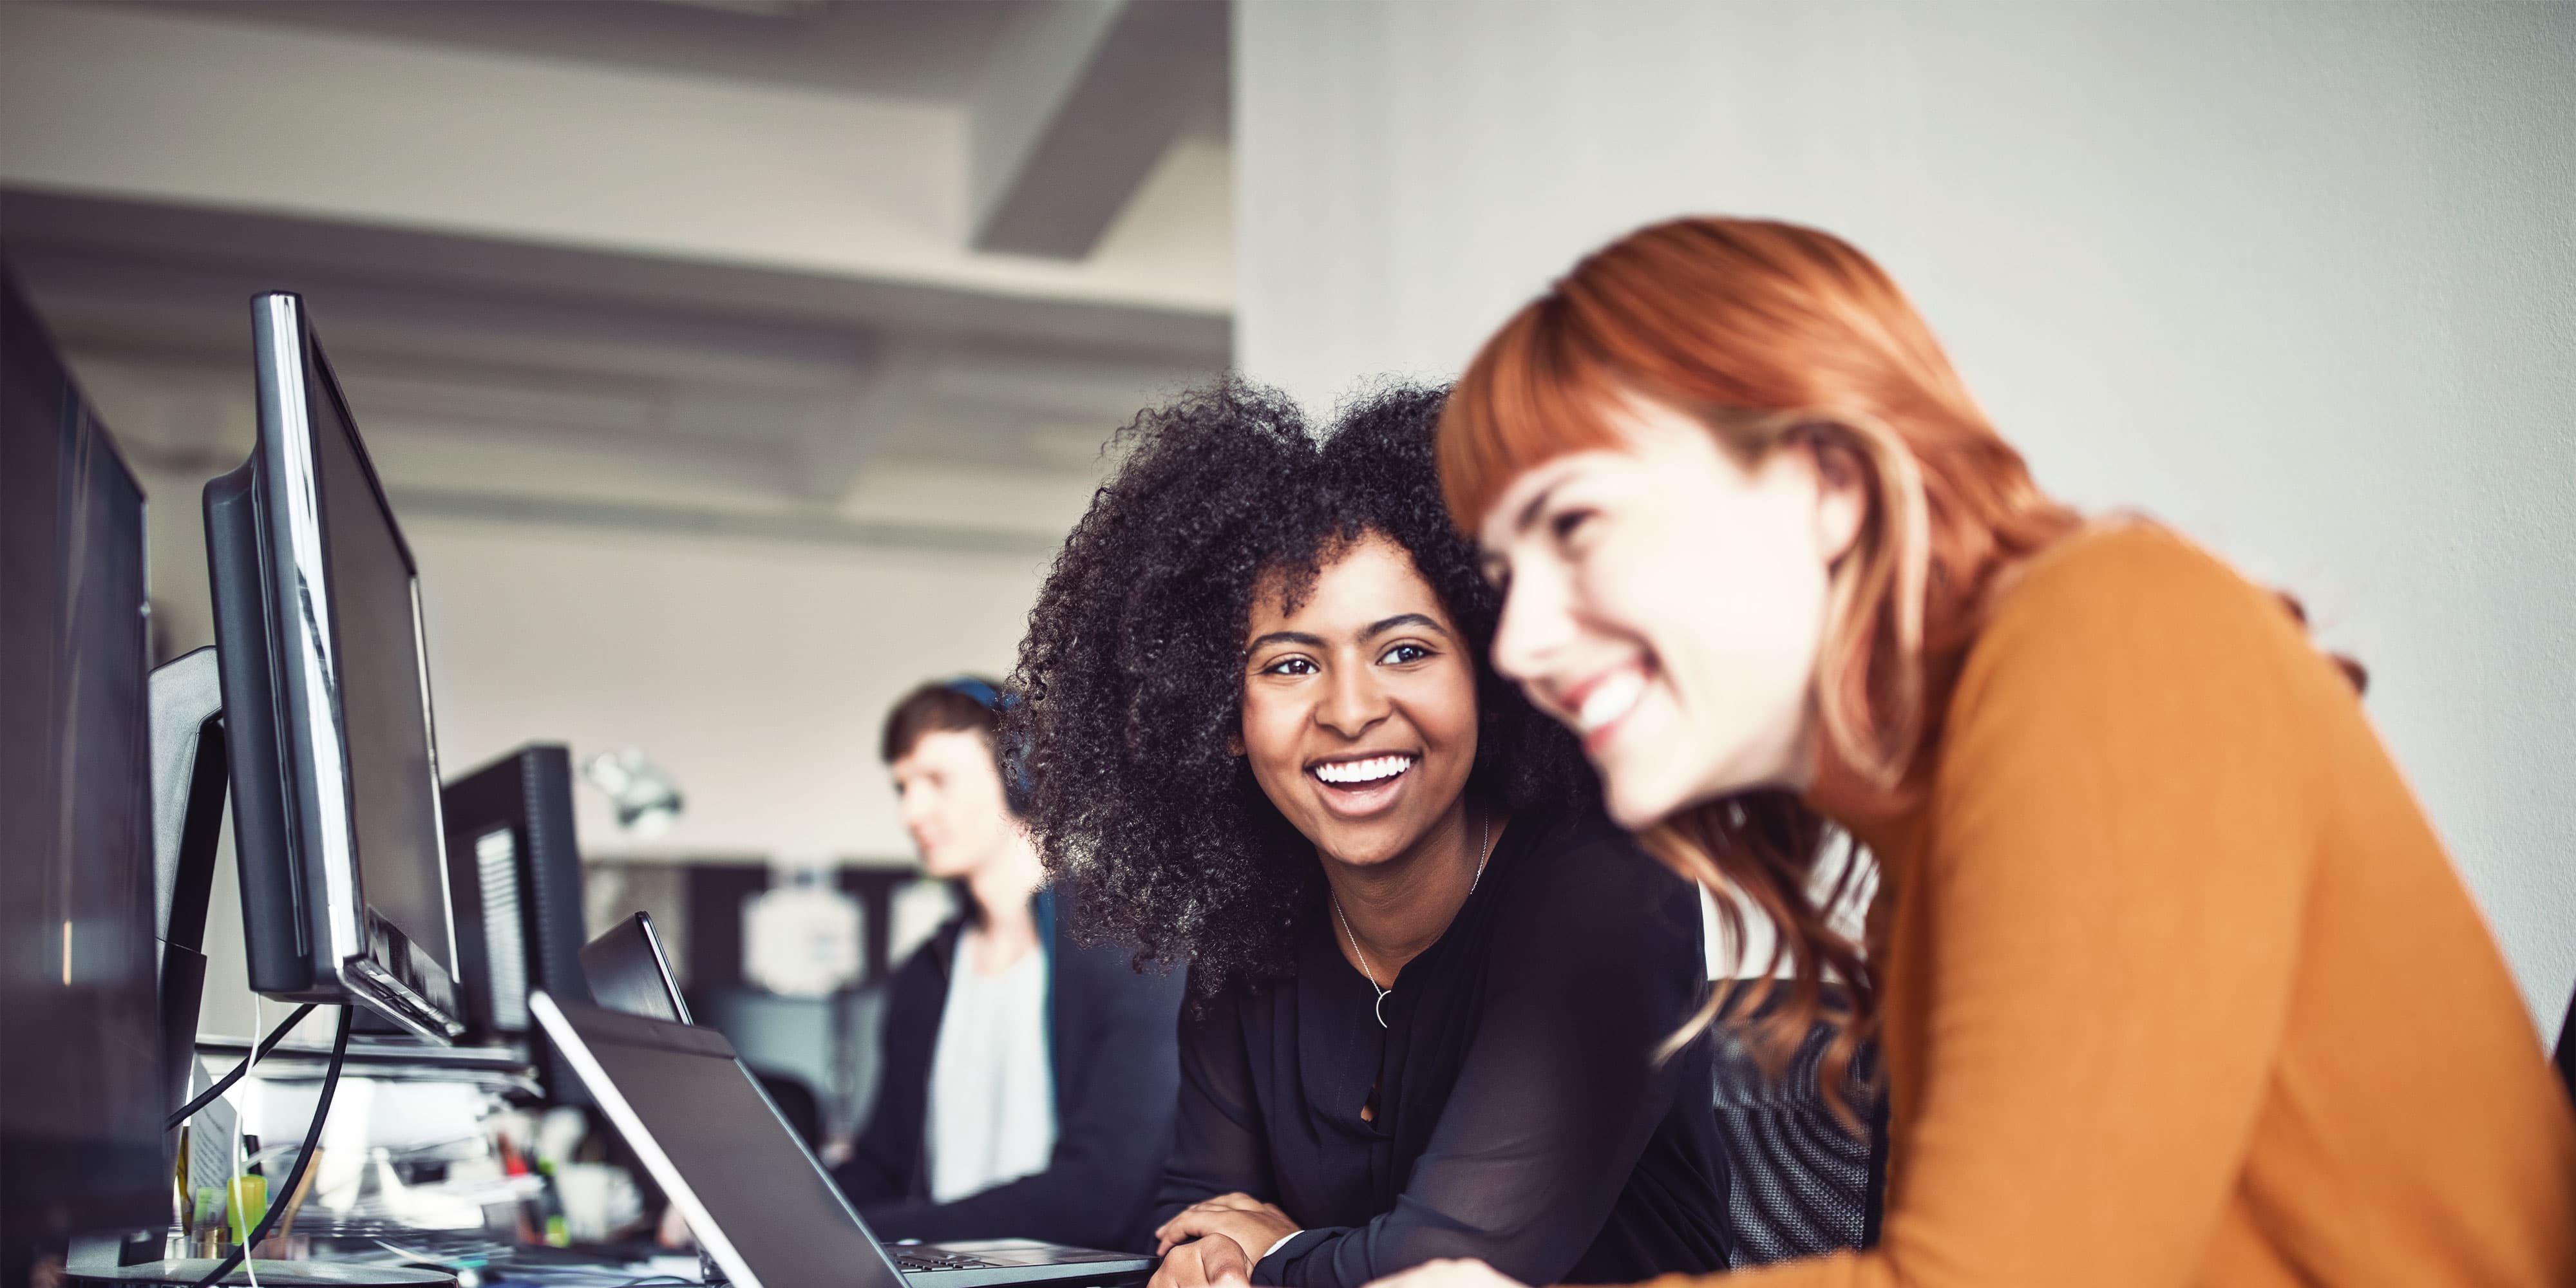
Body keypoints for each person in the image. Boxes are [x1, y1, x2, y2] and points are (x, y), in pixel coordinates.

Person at [1361, 216, 2576, 1288]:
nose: (1519, 642)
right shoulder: (1930, 839)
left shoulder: (2112, 634)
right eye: (1509, 574)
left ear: (1827, 484)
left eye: (1577, 523)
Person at [1001, 385, 1732, 1288]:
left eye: (1405, 651)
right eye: (1293, 665)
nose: (1350, 711)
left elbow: (1451, 1274)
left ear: (1492, 678)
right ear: (1222, 715)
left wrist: (1275, 1257)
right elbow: (1192, 1242)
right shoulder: (1248, 940)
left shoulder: (1611, 896)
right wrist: (1244, 1260)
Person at [832, 677, 1188, 1253]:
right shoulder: (926, 974)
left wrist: (870, 1233)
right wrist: (753, 1211)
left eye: (937, 781)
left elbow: (1099, 1197)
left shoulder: (1131, 956)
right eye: (902, 787)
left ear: (1019, 777)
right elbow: (881, 1167)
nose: (912, 811)